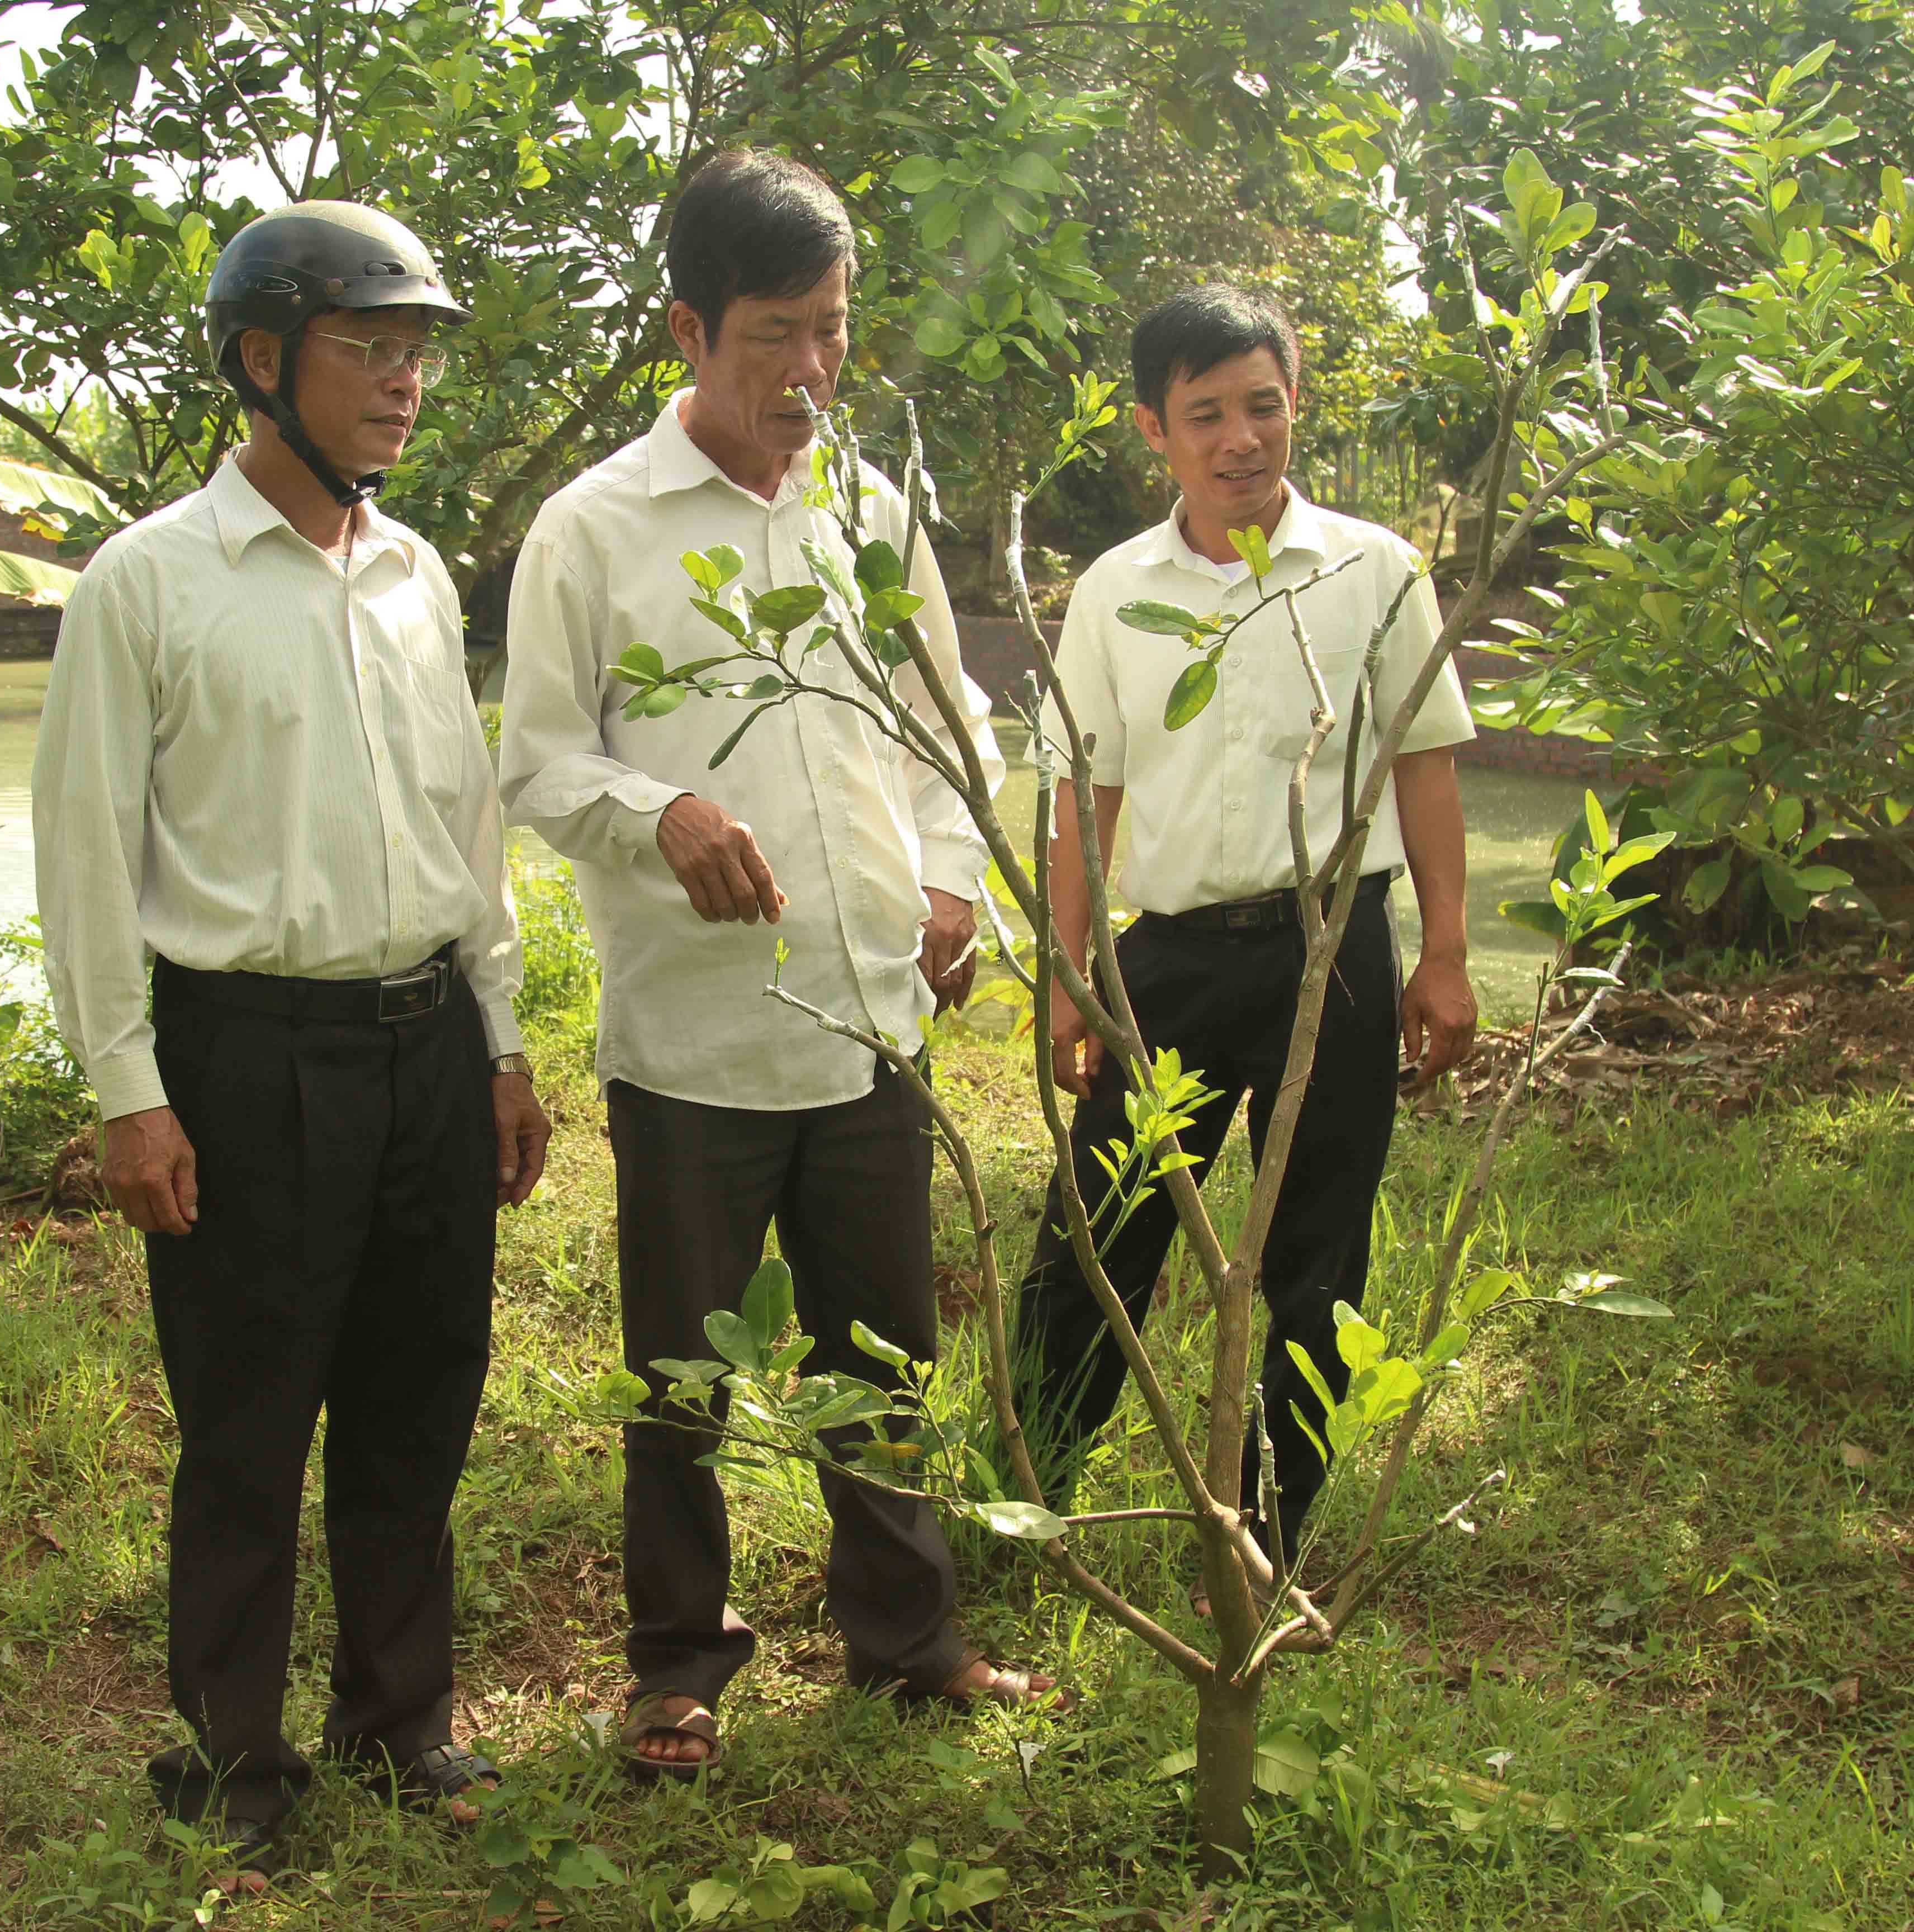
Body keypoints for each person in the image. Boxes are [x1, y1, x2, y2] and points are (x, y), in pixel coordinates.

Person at [499, 149, 1062, 1779]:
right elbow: (536, 761)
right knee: (682, 1372)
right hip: (694, 1042)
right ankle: (676, 1664)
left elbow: (954, 726)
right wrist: (655, 807)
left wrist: (957, 883)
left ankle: (908, 1640)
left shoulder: (863, 512)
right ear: (686, 328)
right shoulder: (593, 530)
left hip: (873, 1024)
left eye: (833, 331)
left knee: (885, 1351)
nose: (810, 375)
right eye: (773, 337)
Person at [32, 201, 551, 1876]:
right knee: (249, 1420)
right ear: (262, 360)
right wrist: (130, 1092)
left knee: (419, 1396)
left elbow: (463, 826)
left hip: (420, 1047)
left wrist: (500, 1034)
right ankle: (227, 1757)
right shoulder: (150, 585)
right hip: (245, 1055)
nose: (405, 382)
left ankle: (401, 1726)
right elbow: (89, 853)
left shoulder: (412, 577)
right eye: (369, 347)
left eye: (418, 353)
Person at [1011, 282, 1479, 1576]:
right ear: (1153, 431)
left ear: (1293, 408)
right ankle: (1032, 1494)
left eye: (1261, 407)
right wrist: (1069, 981)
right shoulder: (1113, 592)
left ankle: (1272, 1538)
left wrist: (1441, 955)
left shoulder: (1372, 572)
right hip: (1159, 966)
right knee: (1099, 1229)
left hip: (1335, 952)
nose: (1239, 439)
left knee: (1317, 1262)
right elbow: (1081, 798)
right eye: (1204, 413)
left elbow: (1424, 766)